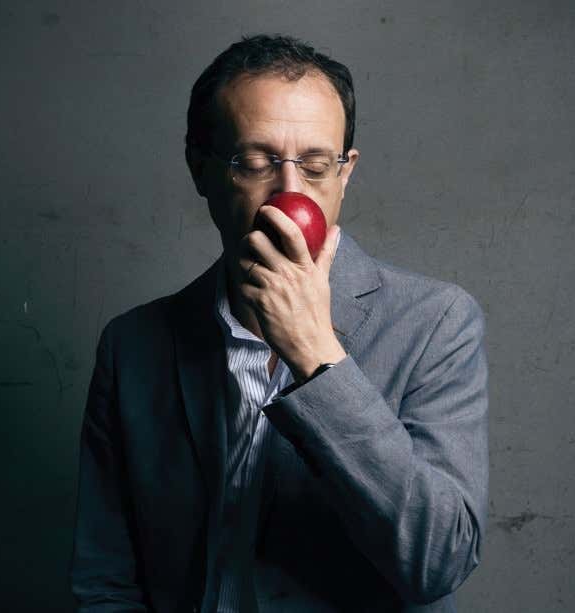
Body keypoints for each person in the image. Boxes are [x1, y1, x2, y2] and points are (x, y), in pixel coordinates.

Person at [69, 34, 489, 613]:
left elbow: (438, 560)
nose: (289, 195)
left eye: (316, 166)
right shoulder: (133, 346)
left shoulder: (436, 324)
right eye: (256, 162)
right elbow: (105, 579)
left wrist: (318, 358)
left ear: (346, 173)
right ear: (202, 168)